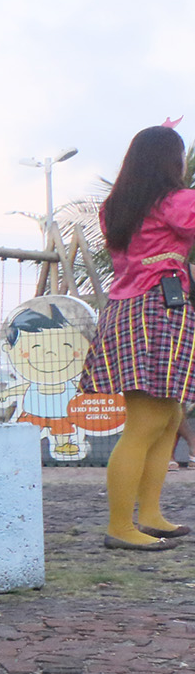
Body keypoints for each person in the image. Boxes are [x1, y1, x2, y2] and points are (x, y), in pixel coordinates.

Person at [79, 124, 195, 550]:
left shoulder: (118, 205)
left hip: (127, 310)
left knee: (165, 419)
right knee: (149, 422)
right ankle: (120, 525)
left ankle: (148, 514)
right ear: (170, 161)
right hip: (158, 311)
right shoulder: (175, 202)